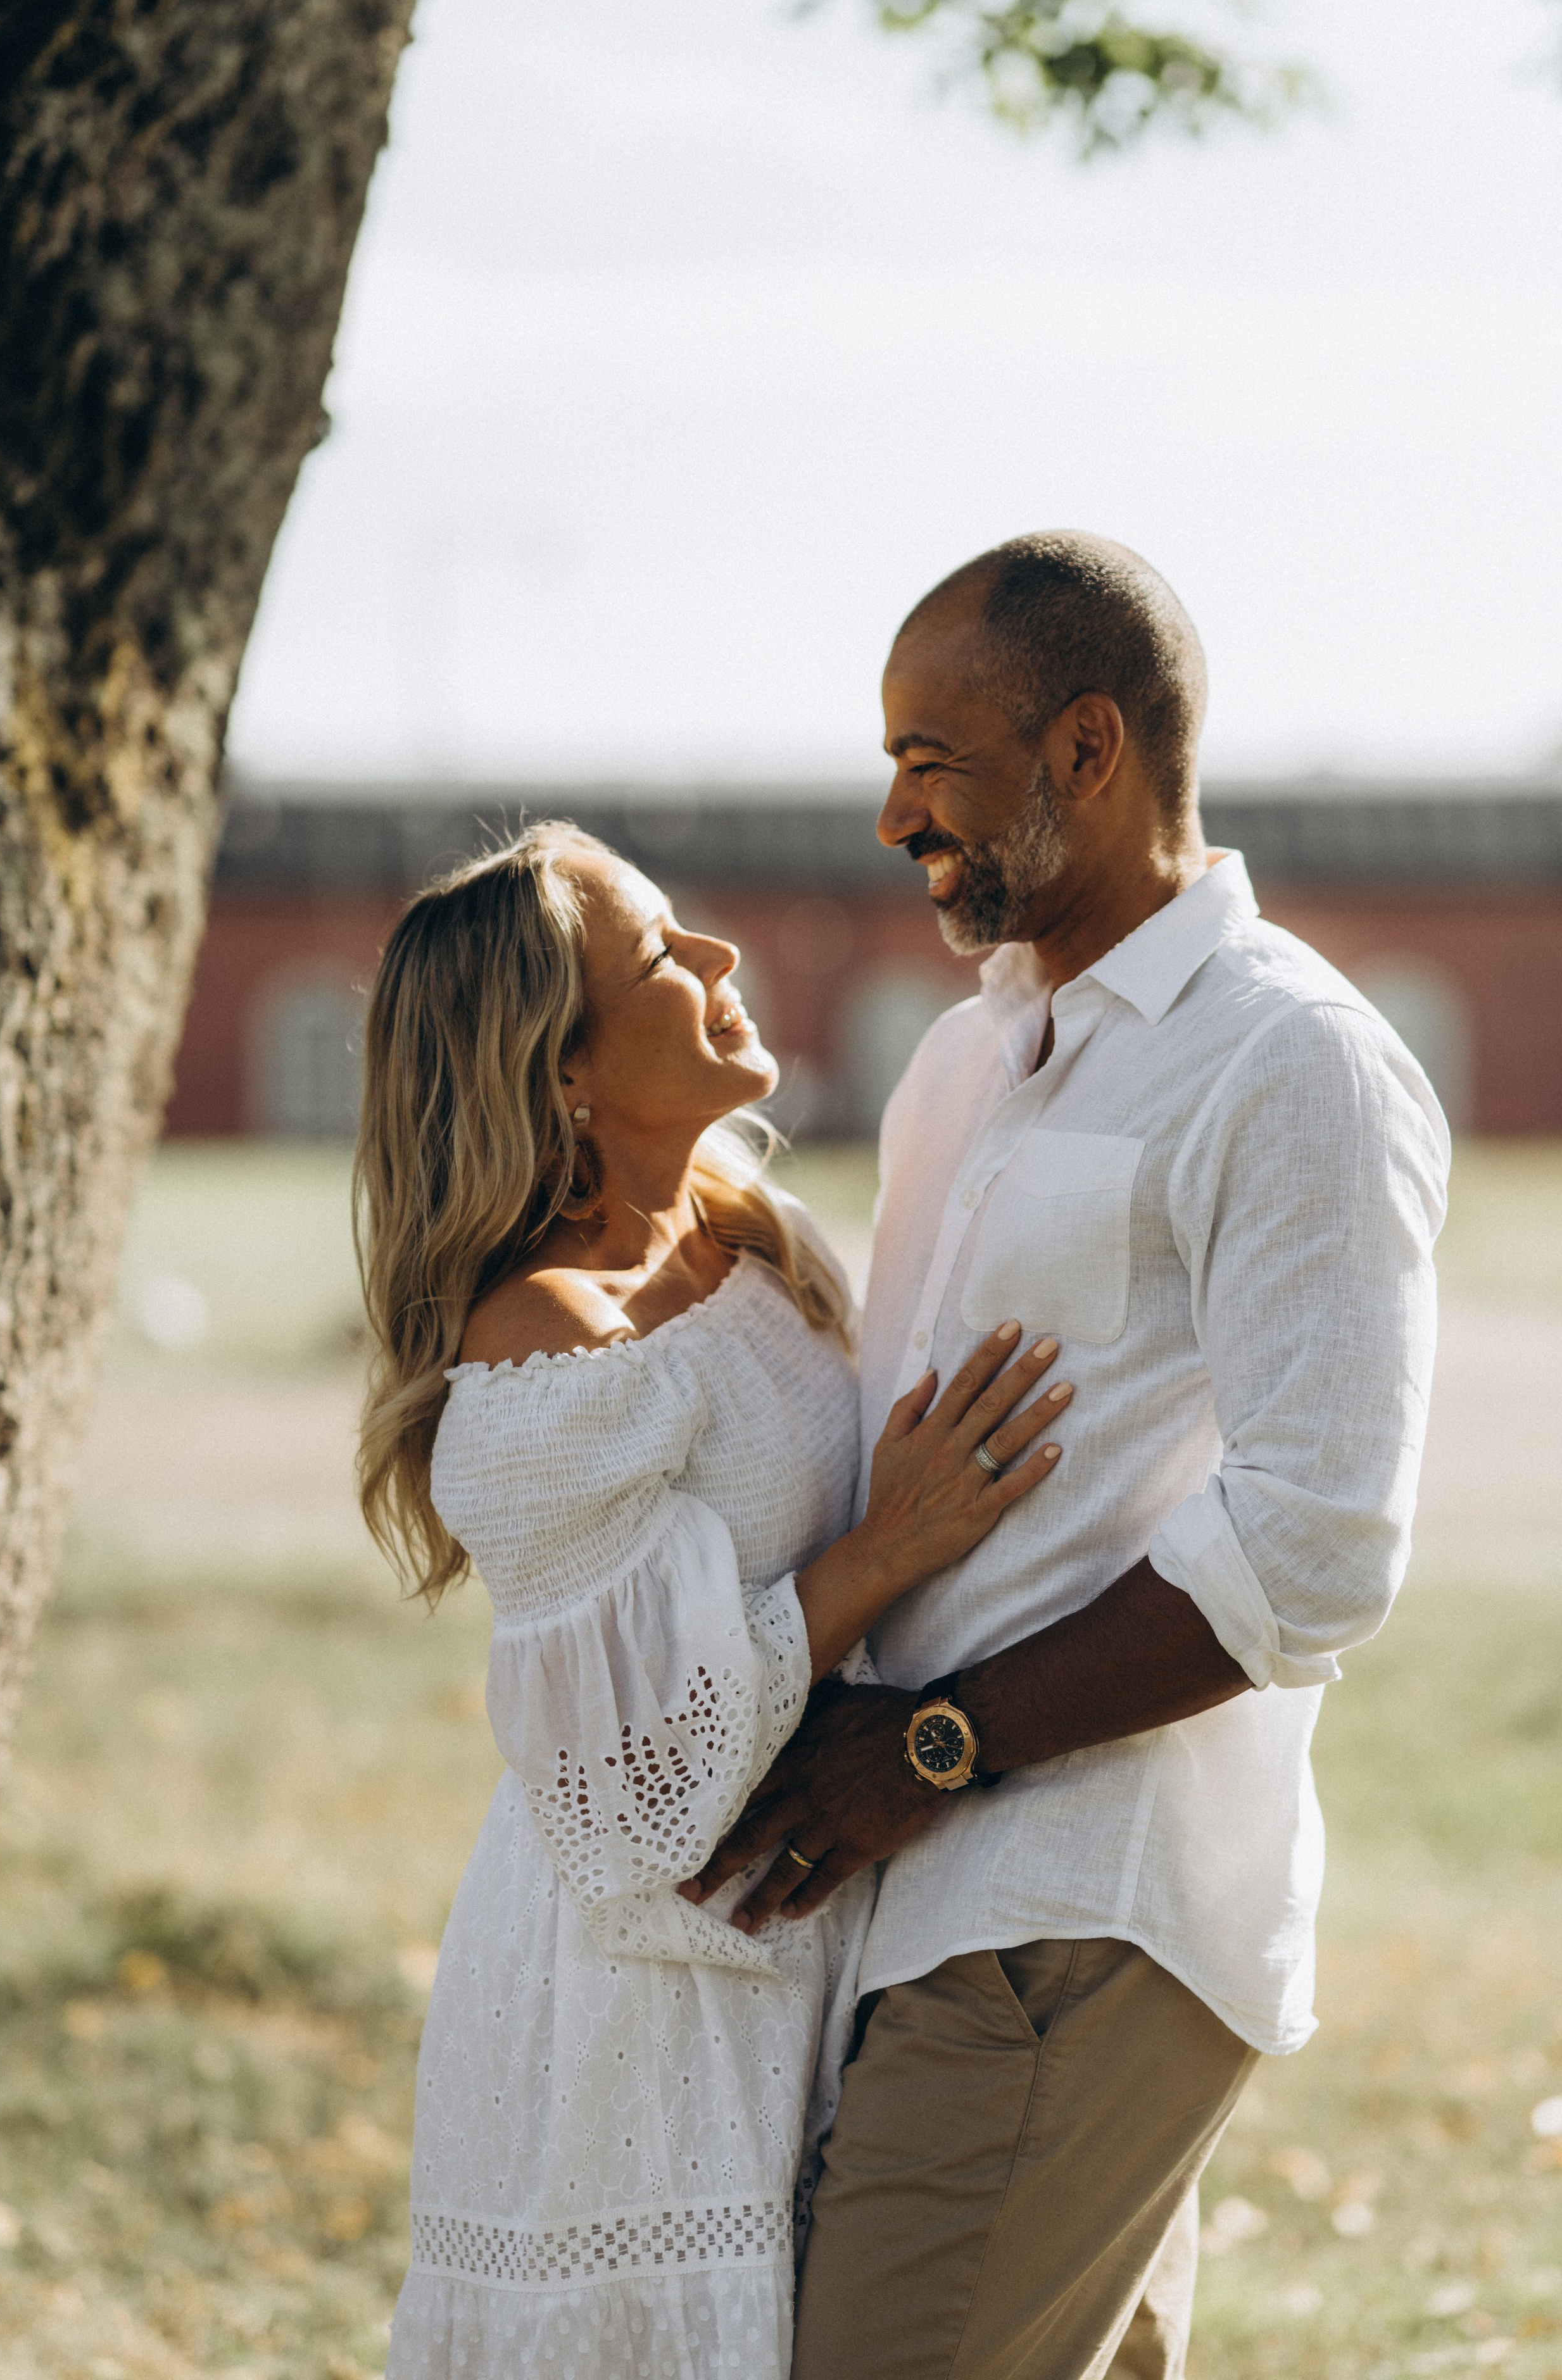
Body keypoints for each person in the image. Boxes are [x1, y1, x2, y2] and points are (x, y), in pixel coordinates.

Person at [686, 532, 1451, 2380]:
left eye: (933, 762)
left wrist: (939, 1745)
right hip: (912, 1895)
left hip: (1076, 1902)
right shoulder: (966, 1063)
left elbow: (1318, 1545)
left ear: (1087, 749)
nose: (892, 816)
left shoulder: (1295, 1068)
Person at [353, 822, 1075, 2380]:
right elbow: (629, 1772)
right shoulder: (544, 1339)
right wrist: (891, 1544)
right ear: (559, 1072)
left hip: (794, 1896)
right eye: (656, 959)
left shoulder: (743, 1235)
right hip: (634, 1978)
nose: (718, 961)